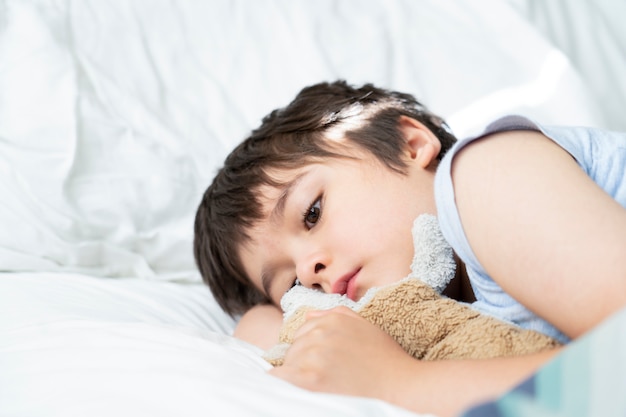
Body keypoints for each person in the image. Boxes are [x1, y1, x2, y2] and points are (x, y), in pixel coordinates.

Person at [194, 80, 626, 417]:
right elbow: (282, 336)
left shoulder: (486, 173)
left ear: (411, 144)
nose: (309, 272)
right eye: (290, 282)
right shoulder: (437, 316)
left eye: (312, 212)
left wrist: (399, 381)